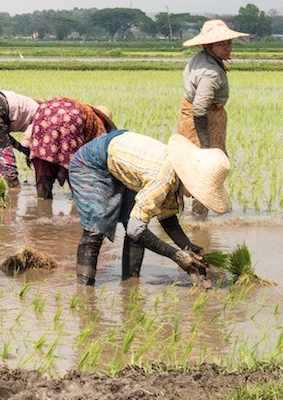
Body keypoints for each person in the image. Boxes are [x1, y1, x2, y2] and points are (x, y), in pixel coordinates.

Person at [68, 130, 227, 286]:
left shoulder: (174, 175)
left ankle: (129, 285)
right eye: (197, 191)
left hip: (122, 163)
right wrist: (177, 256)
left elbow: (167, 218)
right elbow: (135, 229)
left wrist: (188, 247)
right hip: (91, 162)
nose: (194, 197)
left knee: (136, 223)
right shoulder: (162, 178)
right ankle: (85, 290)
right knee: (96, 229)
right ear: (189, 179)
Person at [177, 19, 249, 214]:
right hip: (203, 120)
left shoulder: (200, 58)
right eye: (221, 44)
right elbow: (200, 108)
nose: (227, 47)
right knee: (206, 170)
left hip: (192, 115)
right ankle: (199, 222)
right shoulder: (211, 73)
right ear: (209, 45)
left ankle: (174, 215)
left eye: (228, 42)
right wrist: (206, 146)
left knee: (187, 167)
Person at [22, 98, 115, 200]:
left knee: (44, 162)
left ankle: (42, 201)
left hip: (43, 111)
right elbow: (98, 153)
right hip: (70, 119)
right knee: (75, 167)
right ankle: (78, 202)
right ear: (103, 119)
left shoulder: (73, 107)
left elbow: (29, 135)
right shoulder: (97, 121)